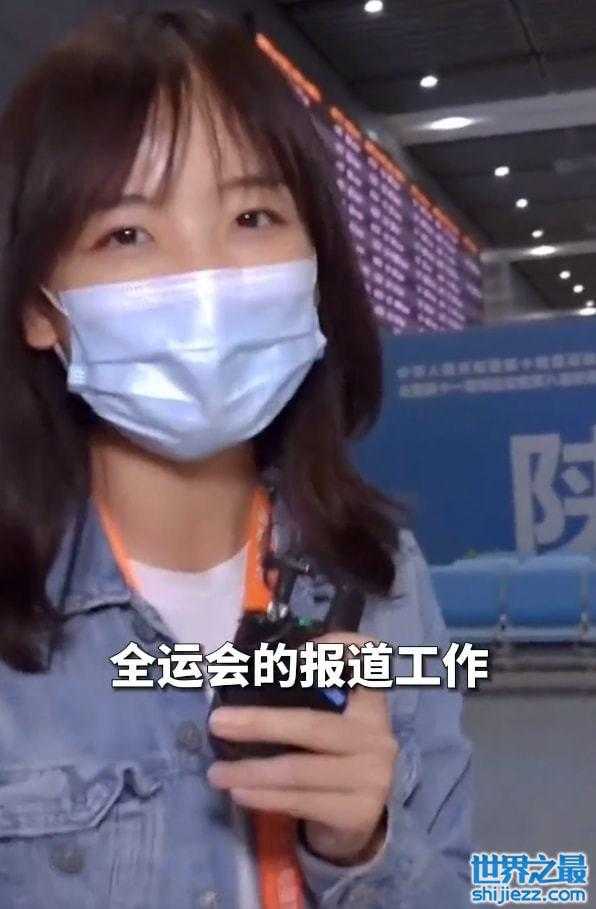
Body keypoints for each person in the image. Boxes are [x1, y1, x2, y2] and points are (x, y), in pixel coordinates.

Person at [0, 7, 472, 908]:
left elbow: (463, 881)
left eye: (253, 216)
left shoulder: (382, 582)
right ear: (38, 307)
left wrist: (362, 845)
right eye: (127, 233)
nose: (206, 279)